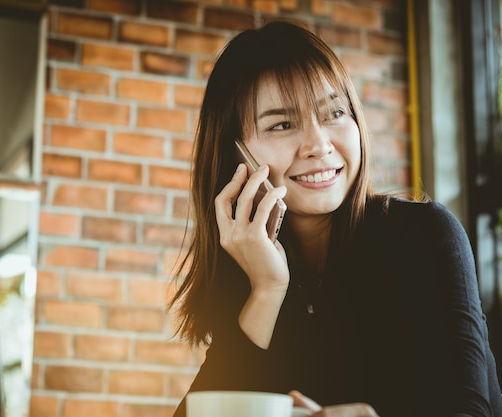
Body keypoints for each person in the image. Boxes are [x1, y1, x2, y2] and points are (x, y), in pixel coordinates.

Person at [168, 21, 502, 417]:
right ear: (236, 156)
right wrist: (267, 288)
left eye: (334, 113)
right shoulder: (250, 271)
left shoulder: (424, 236)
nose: (319, 145)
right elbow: (212, 410)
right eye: (281, 124)